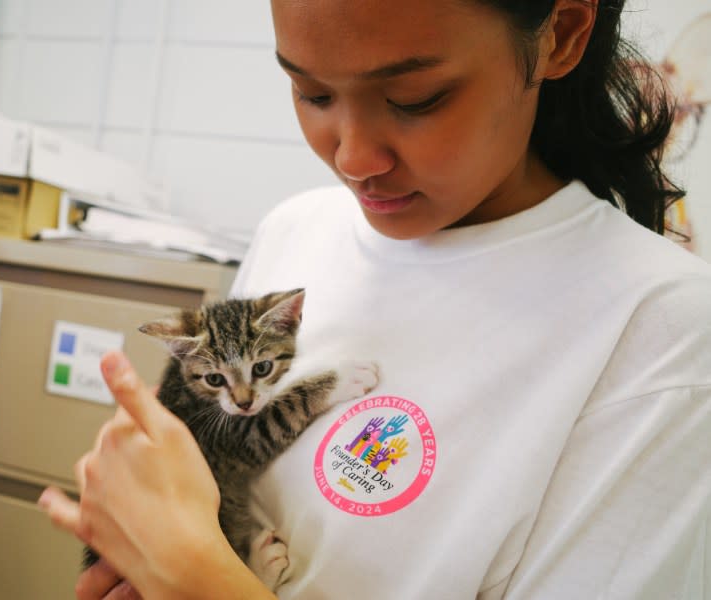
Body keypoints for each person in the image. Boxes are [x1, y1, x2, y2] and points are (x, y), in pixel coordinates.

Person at [39, 1, 711, 598]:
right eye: (311, 93)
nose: (354, 159)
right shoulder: (295, 233)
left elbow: (190, 557)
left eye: (415, 98)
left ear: (561, 34)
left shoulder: (660, 326)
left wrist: (190, 573)